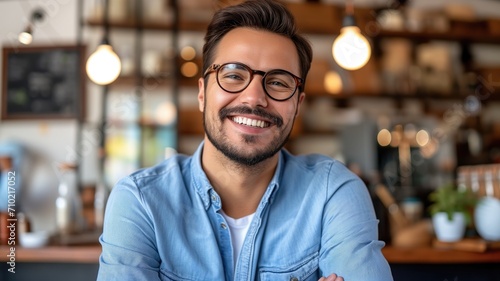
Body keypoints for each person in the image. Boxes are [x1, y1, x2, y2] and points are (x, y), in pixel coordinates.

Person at [97, 1, 393, 280]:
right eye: (234, 75)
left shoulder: (333, 192)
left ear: (298, 105)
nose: (254, 98)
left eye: (278, 82)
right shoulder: (141, 200)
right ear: (202, 93)